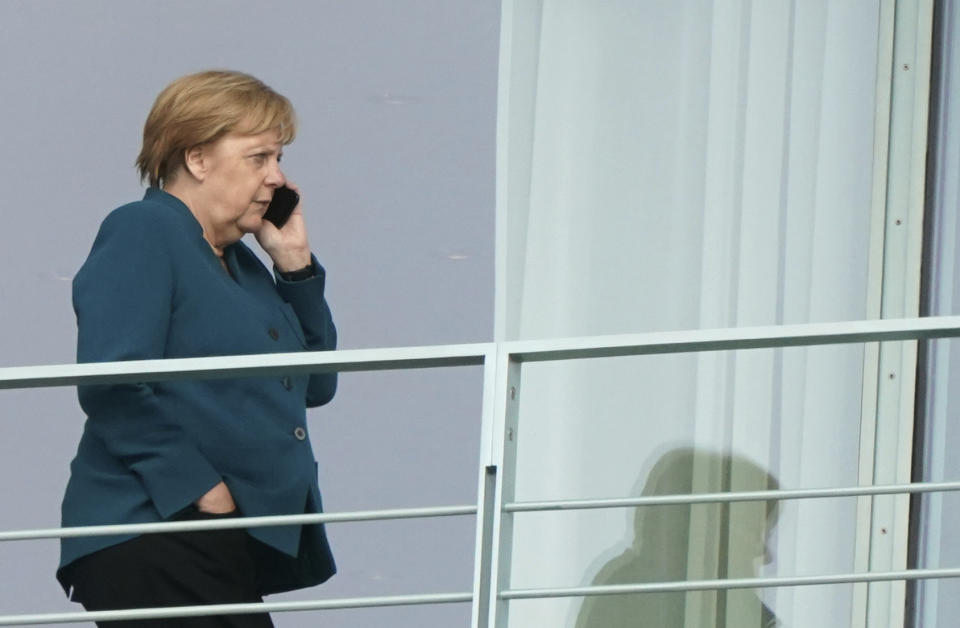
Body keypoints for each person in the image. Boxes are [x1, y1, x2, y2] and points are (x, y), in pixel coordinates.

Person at [56, 70, 338, 627]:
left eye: (278, 158)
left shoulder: (243, 265)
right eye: (259, 158)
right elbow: (112, 382)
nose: (278, 179)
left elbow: (318, 385)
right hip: (154, 527)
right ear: (198, 159)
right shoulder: (143, 229)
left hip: (209, 538)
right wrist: (203, 493)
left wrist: (295, 266)